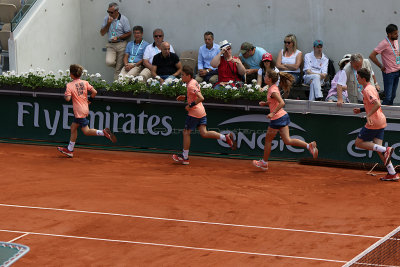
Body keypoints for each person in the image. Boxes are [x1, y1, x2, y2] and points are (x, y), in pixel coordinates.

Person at [253, 69, 318, 171]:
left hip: (277, 118)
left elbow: (282, 103)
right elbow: (274, 100)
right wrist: (266, 103)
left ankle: (264, 163)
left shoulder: (272, 90)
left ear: (269, 79)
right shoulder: (273, 88)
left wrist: (272, 113)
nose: (264, 77)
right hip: (283, 116)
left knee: (268, 140)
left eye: (265, 76)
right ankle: (308, 146)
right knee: (287, 141)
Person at [172, 65, 236, 165]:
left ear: (188, 76)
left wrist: (190, 105)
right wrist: (185, 98)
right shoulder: (194, 82)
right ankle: (225, 137)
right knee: (204, 133)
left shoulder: (190, 85)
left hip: (194, 113)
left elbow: (201, 98)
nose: (182, 77)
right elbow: (194, 96)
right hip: (201, 112)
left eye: (183, 75)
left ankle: (185, 157)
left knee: (186, 132)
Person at [57, 64, 117, 158]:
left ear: (71, 74)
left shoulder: (69, 85)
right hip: (85, 108)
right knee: (73, 127)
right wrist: (90, 100)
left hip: (79, 111)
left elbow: (68, 99)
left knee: (86, 131)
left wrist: (65, 94)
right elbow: (95, 92)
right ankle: (70, 149)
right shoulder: (85, 82)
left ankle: (103, 132)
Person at [352, 68, 398, 181]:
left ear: (363, 78)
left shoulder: (368, 90)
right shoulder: (371, 88)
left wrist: (368, 116)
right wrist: (362, 109)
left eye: (358, 77)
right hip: (381, 121)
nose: (357, 79)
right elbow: (372, 104)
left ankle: (385, 149)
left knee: (358, 143)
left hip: (374, 122)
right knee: (379, 149)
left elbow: (377, 104)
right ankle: (392, 173)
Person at [100, 2, 132, 81]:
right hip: (111, 45)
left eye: (111, 12)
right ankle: (120, 66)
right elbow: (102, 33)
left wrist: (118, 37)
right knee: (109, 62)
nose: (109, 14)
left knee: (117, 70)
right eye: (108, 12)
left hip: (121, 44)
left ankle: (116, 87)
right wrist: (108, 23)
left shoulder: (124, 19)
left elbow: (129, 33)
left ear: (117, 11)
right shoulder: (106, 19)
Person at [370, 24, 400, 105]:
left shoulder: (396, 41)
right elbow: (372, 56)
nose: (397, 35)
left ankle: (388, 113)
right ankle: (380, 113)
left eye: (397, 33)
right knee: (388, 97)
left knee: (393, 95)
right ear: (389, 34)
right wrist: (381, 66)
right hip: (389, 73)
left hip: (397, 71)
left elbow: (396, 53)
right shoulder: (384, 43)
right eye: (395, 34)